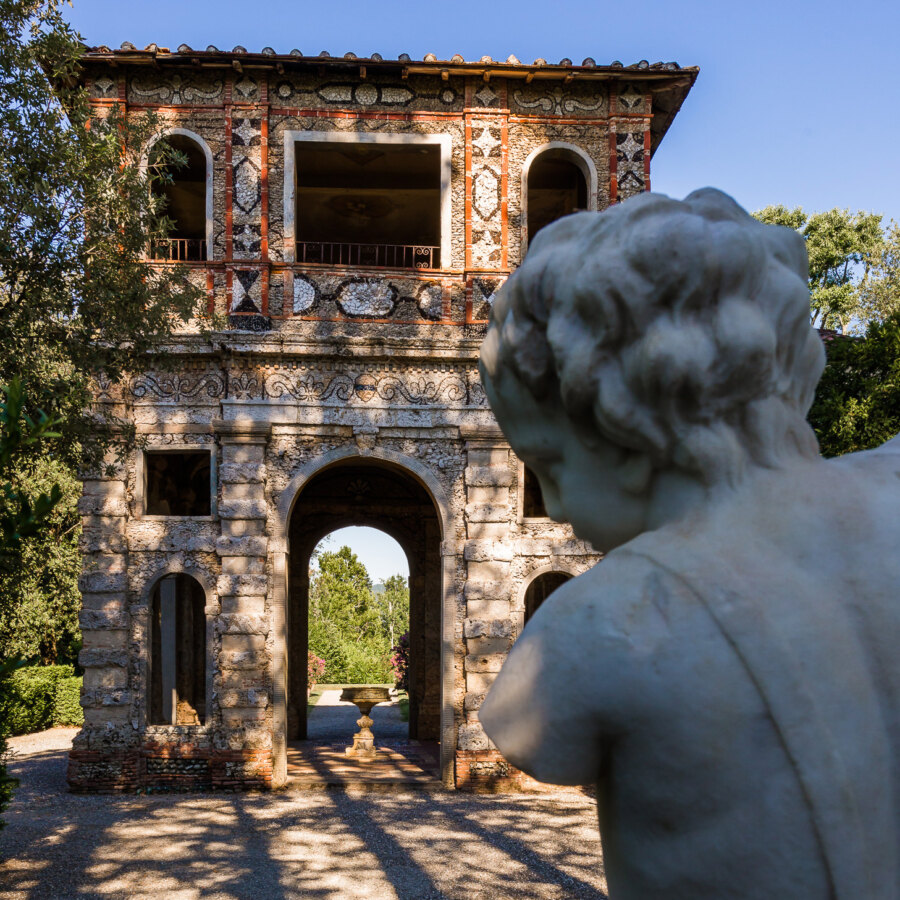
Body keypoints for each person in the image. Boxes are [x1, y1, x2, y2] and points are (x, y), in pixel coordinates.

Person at [477, 189, 900, 899]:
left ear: (624, 430)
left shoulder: (600, 623)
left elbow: (533, 738)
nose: (549, 503)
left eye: (549, 465)